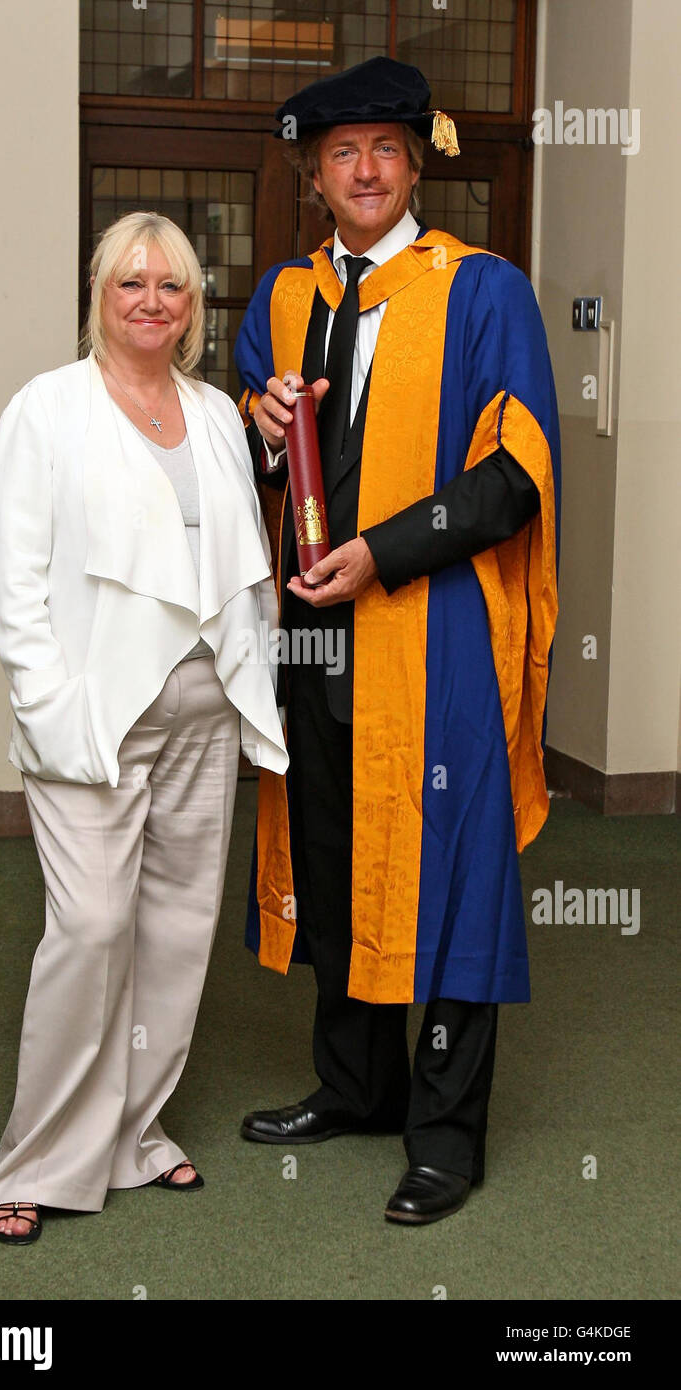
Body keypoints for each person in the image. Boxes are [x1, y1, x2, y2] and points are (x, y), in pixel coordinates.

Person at [235, 57, 560, 1224]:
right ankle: (353, 1085)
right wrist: (257, 424)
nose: (363, 170)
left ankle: (444, 1133)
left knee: (451, 865)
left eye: (384, 148)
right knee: (328, 840)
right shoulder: (283, 297)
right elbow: (251, 448)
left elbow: (514, 473)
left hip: (437, 632)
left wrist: (386, 550)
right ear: (315, 176)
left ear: (417, 162)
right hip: (317, 635)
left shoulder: (484, 291)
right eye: (340, 154)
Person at [0, 211, 287, 1243]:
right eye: (130, 284)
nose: (152, 302)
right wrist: (49, 709)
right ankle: (31, 1159)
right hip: (96, 722)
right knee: (93, 927)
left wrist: (259, 676)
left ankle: (131, 1133)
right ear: (100, 295)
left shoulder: (213, 416)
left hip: (206, 715)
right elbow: (14, 582)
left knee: (175, 930)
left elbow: (240, 564)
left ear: (194, 306)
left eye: (173, 287)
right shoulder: (46, 411)